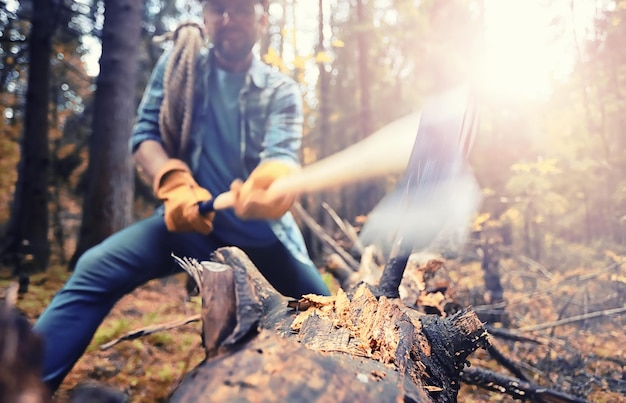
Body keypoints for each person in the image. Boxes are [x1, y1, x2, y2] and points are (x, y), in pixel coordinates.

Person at [33, 0, 330, 393]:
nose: (228, 19)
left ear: (262, 17)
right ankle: (21, 385)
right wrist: (173, 182)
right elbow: (144, 137)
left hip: (262, 239)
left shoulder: (282, 91)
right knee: (94, 268)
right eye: (218, 9)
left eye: (240, 9)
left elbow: (281, 157)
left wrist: (274, 185)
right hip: (185, 223)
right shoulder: (179, 68)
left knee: (328, 316)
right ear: (205, 16)